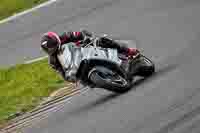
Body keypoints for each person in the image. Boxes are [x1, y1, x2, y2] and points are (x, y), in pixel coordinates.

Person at [40, 30, 139, 82]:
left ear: (56, 40)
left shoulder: (66, 36)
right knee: (81, 80)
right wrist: (68, 78)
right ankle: (103, 79)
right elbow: (61, 73)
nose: (52, 49)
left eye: (52, 46)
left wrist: (86, 38)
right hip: (76, 68)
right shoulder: (53, 61)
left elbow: (81, 34)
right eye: (49, 49)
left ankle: (128, 51)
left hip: (84, 50)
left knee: (102, 40)